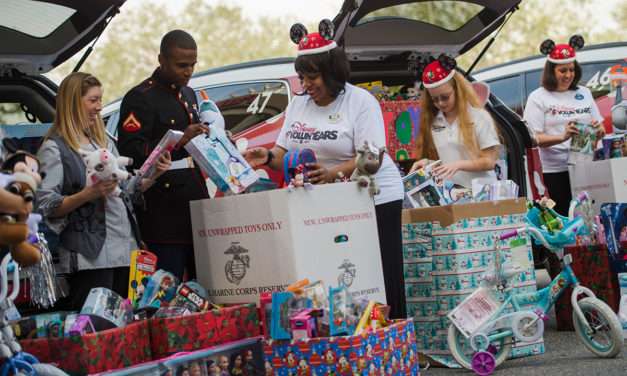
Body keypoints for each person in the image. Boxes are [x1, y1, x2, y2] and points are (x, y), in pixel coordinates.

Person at [243, 20, 406, 318]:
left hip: (375, 196)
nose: (305, 86)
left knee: (381, 271)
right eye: (302, 78)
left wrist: (333, 174)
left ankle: (396, 342)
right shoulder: (299, 105)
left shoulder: (360, 102)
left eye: (312, 78)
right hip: (330, 202)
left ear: (332, 72)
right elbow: (282, 155)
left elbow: (372, 159)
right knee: (341, 271)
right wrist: (266, 157)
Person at [36, 72, 171, 310]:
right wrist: (87, 194)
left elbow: (125, 191)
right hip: (90, 257)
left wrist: (154, 174)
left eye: (100, 100)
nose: (99, 107)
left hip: (125, 248)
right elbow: (46, 205)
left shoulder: (103, 143)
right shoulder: (54, 148)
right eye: (93, 100)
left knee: (125, 322)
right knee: (96, 325)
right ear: (73, 103)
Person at [117, 30, 223, 281]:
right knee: (167, 287)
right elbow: (131, 152)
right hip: (163, 209)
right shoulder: (141, 98)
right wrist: (178, 141)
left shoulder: (188, 94)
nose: (188, 71)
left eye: (192, 65)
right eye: (181, 65)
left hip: (194, 201)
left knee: (205, 284)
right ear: (161, 60)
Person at [523, 35, 603, 215]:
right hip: (555, 171)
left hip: (586, 167)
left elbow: (601, 128)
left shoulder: (585, 92)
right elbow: (532, 138)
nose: (568, 75)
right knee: (565, 217)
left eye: (572, 70)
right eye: (563, 71)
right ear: (552, 71)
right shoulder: (538, 97)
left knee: (591, 216)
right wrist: (562, 137)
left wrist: (598, 131)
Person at [410, 55, 501, 188]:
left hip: (482, 193)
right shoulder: (435, 123)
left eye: (445, 97)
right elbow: (448, 163)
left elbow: (489, 162)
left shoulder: (479, 117)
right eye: (434, 99)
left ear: (458, 90)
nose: (440, 103)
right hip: (454, 195)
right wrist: (428, 163)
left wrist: (459, 165)